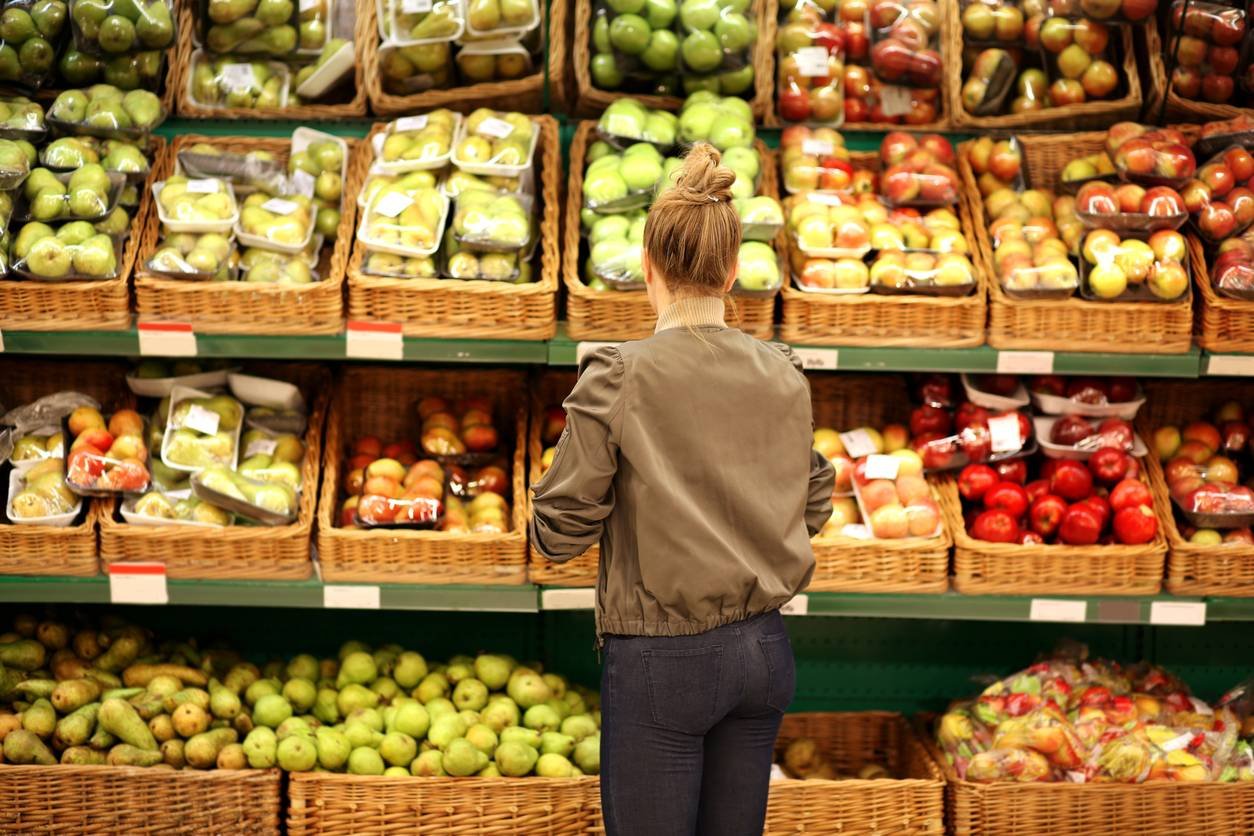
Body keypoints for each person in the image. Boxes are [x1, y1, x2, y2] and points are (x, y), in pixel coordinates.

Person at [530, 143, 835, 836]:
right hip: (763, 651)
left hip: (661, 662)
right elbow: (812, 500)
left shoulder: (618, 376)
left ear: (648, 270)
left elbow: (559, 533)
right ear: (733, 271)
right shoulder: (782, 370)